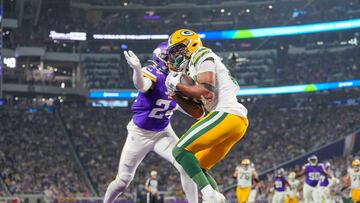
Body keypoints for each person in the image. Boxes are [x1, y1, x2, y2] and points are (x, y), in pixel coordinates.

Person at [103, 42, 198, 203]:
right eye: (174, 56)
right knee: (123, 181)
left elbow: (181, 107)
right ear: (161, 59)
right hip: (141, 133)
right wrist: (137, 70)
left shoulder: (177, 79)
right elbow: (141, 86)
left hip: (163, 131)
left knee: (186, 166)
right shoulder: (151, 72)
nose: (179, 60)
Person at [165, 29, 248, 203]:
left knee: (179, 150)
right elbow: (199, 113)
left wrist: (177, 85)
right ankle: (213, 198)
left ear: (190, 44)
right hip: (232, 121)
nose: (175, 56)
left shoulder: (201, 53)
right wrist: (175, 94)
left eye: (177, 50)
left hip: (227, 113)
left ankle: (209, 195)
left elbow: (206, 91)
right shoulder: (194, 68)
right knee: (198, 167)